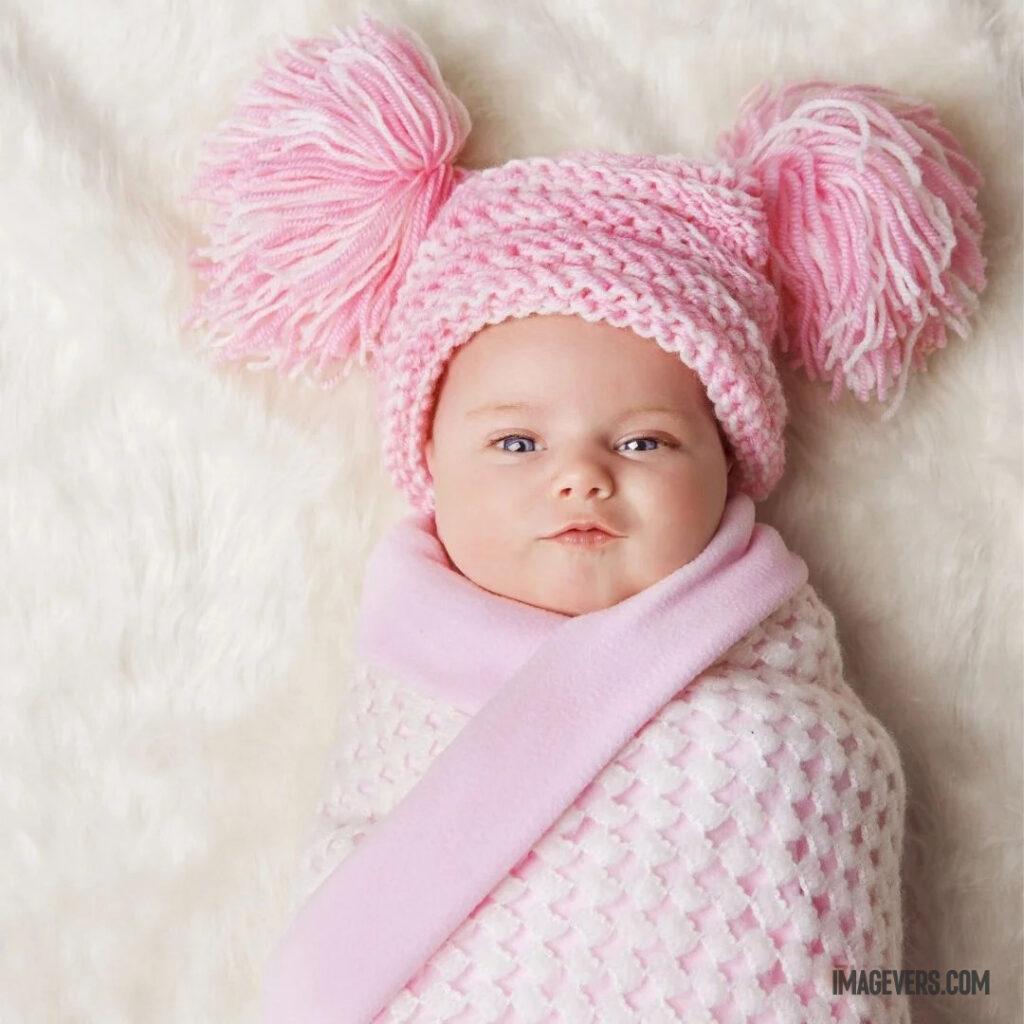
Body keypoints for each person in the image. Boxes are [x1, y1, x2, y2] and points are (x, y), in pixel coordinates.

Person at [181, 13, 987, 1023]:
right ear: (428, 465)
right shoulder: (405, 668)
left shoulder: (780, 721)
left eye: (643, 442)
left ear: (730, 465)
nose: (581, 480)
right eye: (516, 445)